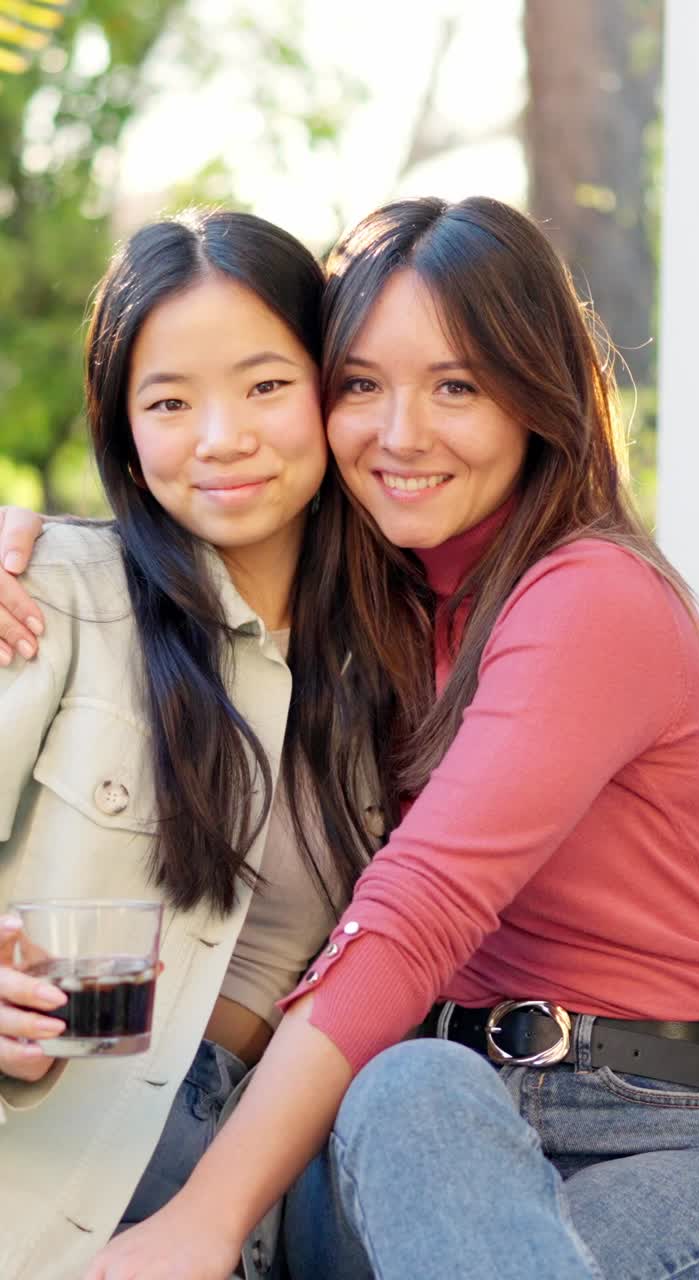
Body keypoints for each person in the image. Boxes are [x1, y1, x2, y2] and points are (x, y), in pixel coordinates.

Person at [3, 196, 699, 1280]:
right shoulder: (384, 617)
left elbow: (416, 910)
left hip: (651, 1121)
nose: (402, 433)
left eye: (458, 386)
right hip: (422, 1115)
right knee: (412, 1086)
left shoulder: (589, 596)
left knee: (411, 1088)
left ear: (539, 394)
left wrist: (209, 1214)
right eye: (362, 386)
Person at [0, 208, 400, 1280]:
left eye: (267, 384)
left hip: (293, 1177)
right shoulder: (50, 599)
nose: (221, 436)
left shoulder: (408, 660)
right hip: (67, 1168)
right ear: (122, 426)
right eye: (169, 401)